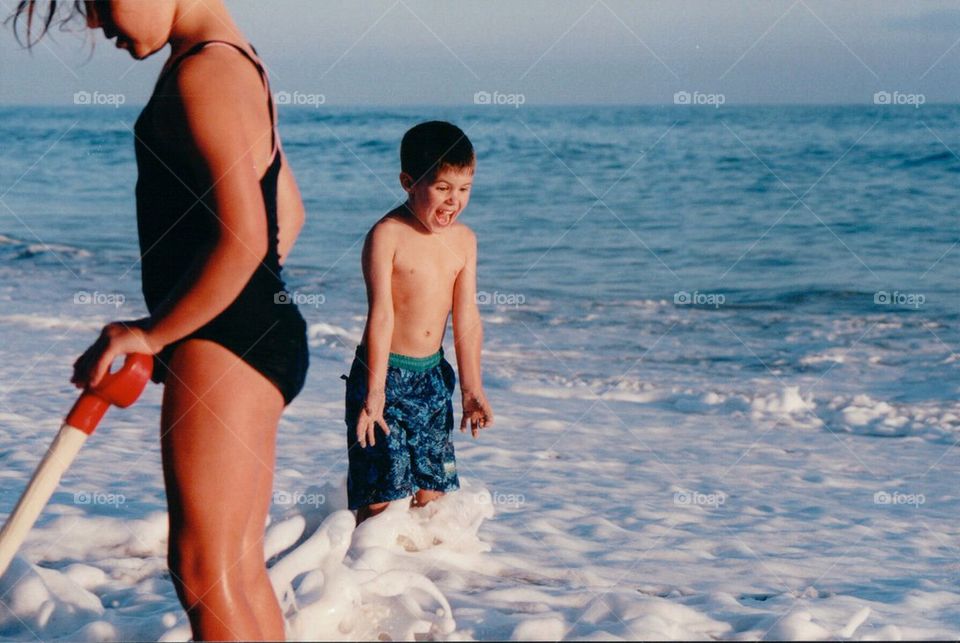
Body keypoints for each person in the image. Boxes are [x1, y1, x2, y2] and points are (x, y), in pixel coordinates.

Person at [11, 1, 309, 639]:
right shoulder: (239, 63)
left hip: (225, 338)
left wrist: (158, 330)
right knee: (233, 566)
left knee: (203, 569)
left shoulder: (203, 74)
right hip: (253, 330)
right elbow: (288, 212)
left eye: (99, 0)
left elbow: (247, 238)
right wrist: (224, 307)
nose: (96, 23)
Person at [344, 121, 494, 524]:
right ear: (408, 182)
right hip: (384, 375)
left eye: (464, 188)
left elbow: (467, 318)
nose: (453, 201)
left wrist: (471, 388)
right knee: (380, 495)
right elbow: (381, 316)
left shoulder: (464, 241)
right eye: (442, 188)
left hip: (431, 379)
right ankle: (362, 575)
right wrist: (374, 391)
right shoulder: (387, 235)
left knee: (433, 497)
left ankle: (427, 573)